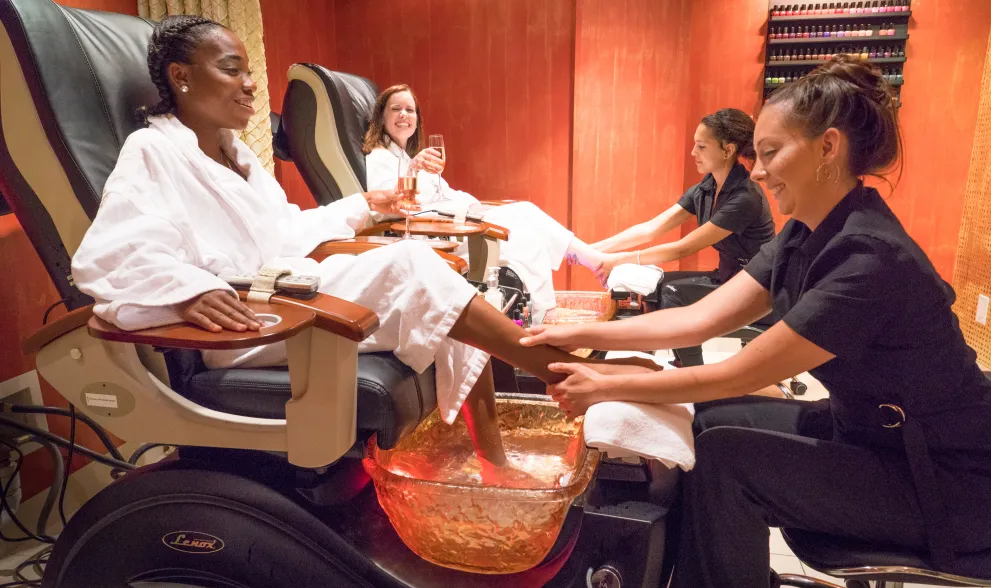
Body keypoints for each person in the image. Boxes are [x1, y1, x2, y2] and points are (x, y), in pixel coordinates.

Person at [71, 16, 657, 471]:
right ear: (181, 76)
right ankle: (567, 373)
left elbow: (287, 232)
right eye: (231, 69)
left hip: (281, 294)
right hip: (244, 325)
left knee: (433, 274)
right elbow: (109, 254)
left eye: (248, 69)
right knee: (409, 264)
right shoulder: (153, 152)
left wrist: (361, 208)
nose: (251, 84)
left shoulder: (239, 157)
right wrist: (187, 289)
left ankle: (496, 456)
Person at [522, 56, 991, 588]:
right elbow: (698, 319)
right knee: (711, 422)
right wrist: (580, 336)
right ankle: (710, 574)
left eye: (772, 153)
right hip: (866, 433)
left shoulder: (870, 257)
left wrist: (604, 384)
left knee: (730, 461)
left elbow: (734, 373)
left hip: (944, 479)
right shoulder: (804, 232)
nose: (761, 170)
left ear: (828, 147)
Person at [363, 84, 616, 320]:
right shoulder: (380, 157)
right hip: (436, 234)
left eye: (410, 109)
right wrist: (414, 171)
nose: (404, 114)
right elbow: (386, 208)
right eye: (396, 109)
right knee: (527, 239)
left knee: (526, 219)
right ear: (381, 117)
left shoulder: (408, 157)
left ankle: (575, 280)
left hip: (459, 219)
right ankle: (554, 305)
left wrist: (474, 206)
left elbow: (446, 193)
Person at [584, 108, 775, 367]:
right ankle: (645, 365)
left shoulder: (744, 198)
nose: (693, 153)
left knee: (673, 293)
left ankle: (693, 376)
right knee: (653, 287)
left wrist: (614, 261)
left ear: (728, 150)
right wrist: (587, 250)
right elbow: (651, 228)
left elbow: (682, 248)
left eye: (701, 146)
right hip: (726, 277)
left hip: (753, 289)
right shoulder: (707, 188)